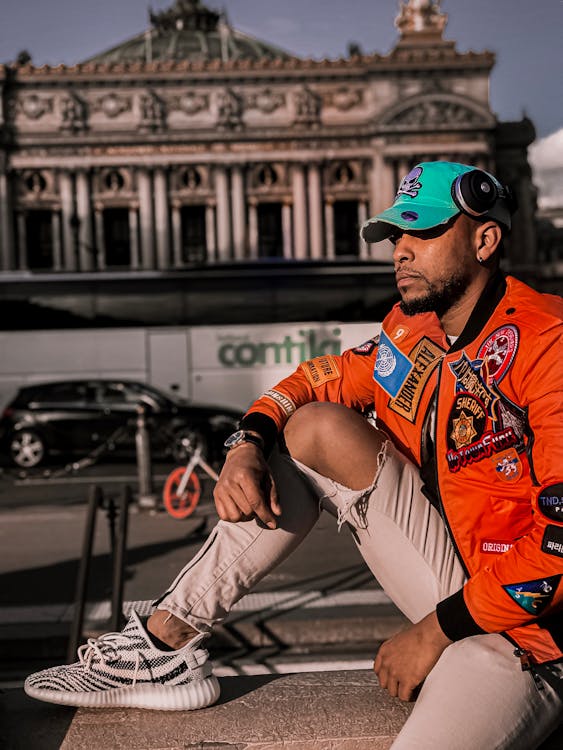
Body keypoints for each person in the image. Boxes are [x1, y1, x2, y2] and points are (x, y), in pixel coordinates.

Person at [25, 161, 563, 749]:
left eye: (423, 231)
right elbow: (315, 381)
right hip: (457, 583)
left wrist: (435, 631)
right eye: (395, 235)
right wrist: (248, 442)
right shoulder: (414, 331)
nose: (400, 251)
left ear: (485, 238)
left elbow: (559, 548)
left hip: (531, 631)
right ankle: (164, 642)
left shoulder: (547, 342)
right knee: (314, 429)